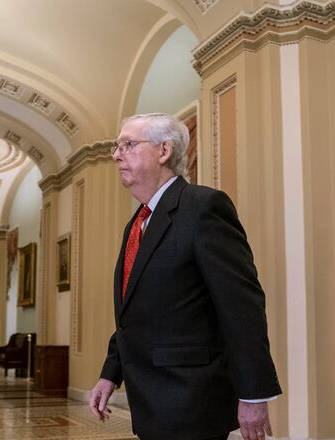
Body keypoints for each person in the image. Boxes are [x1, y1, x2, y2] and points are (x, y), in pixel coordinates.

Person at [88, 113, 282, 440]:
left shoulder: (204, 207)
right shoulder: (137, 222)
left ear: (164, 151)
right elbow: (134, 311)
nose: (118, 154)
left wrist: (254, 393)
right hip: (149, 401)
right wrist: (111, 373)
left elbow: (242, 305)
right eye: (116, 147)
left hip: (192, 400)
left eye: (129, 144)